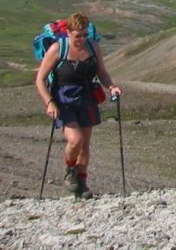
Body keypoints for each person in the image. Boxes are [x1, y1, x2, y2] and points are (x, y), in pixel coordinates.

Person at [35, 12, 122, 199]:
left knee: (85, 144)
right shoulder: (58, 49)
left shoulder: (93, 47)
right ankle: (70, 170)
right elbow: (40, 80)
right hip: (63, 100)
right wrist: (49, 103)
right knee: (75, 140)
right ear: (68, 32)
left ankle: (82, 185)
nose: (81, 39)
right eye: (77, 35)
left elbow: (102, 73)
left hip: (87, 97)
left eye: (84, 34)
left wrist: (112, 87)